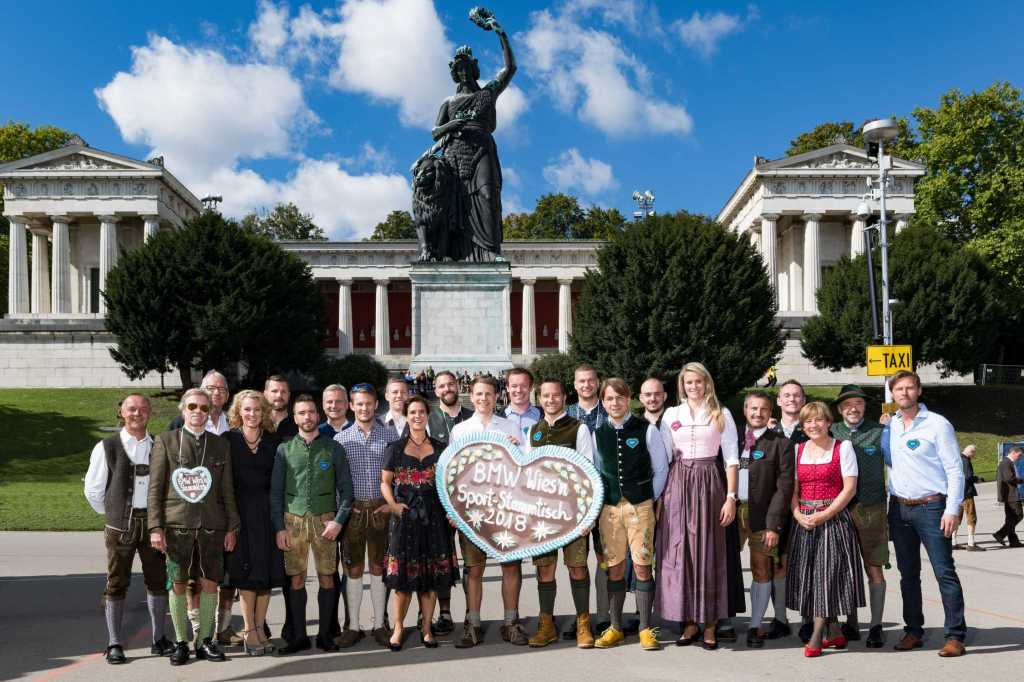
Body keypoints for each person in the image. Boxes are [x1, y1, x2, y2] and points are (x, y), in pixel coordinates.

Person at [148, 388, 240, 666]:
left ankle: (205, 641)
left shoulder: (220, 445)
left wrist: (232, 526)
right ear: (182, 409)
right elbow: (155, 489)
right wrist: (155, 527)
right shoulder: (166, 441)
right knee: (177, 583)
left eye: (204, 408)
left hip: (213, 524)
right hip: (177, 525)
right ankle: (180, 642)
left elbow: (227, 490)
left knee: (211, 581)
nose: (198, 412)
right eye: (192, 407)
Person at [84, 394, 172, 664]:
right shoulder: (107, 447)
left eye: (143, 409)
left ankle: (158, 639)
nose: (138, 413)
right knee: (116, 582)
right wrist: (114, 515)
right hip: (120, 526)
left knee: (157, 581)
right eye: (131, 409)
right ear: (121, 412)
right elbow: (93, 490)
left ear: (150, 413)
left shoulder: (159, 444)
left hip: (154, 525)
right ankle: (114, 643)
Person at [884, 370, 967, 657]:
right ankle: (913, 631)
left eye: (909, 388)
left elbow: (955, 470)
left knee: (944, 572)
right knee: (908, 575)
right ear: (892, 394)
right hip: (899, 508)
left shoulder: (937, 424)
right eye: (899, 389)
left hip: (932, 507)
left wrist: (952, 508)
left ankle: (955, 635)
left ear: (919, 391)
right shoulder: (891, 425)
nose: (904, 393)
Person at [656, 362, 738, 651]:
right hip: (678, 483)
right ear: (682, 385)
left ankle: (711, 623)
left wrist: (731, 497)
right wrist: (660, 495)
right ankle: (688, 621)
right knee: (681, 552)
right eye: (689, 382)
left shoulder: (721, 413)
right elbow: (663, 457)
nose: (694, 387)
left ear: (707, 383)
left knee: (708, 552)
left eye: (699, 382)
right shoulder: (671, 414)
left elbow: (731, 459)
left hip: (708, 483)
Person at [426, 13, 515, 261]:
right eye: (459, 69)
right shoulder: (449, 102)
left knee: (488, 196)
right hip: (454, 155)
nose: (464, 73)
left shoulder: (487, 93)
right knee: (455, 207)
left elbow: (510, 69)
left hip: (481, 150)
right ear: (455, 73)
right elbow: (435, 132)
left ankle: (491, 251)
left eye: (467, 68)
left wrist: (500, 32)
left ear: (473, 70)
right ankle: (456, 255)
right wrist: (452, 124)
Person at [271, 394, 354, 655]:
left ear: (318, 416)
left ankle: (326, 634)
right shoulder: (284, 449)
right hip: (292, 521)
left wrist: (338, 521)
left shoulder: (333, 448)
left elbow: (347, 491)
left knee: (327, 576)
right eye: (301, 413)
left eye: (311, 412)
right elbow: (275, 493)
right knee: (295, 578)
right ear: (294, 418)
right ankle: (298, 636)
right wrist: (279, 527)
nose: (307, 417)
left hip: (325, 520)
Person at [591, 378, 669, 651]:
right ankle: (615, 627)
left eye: (620, 398)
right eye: (610, 399)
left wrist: (650, 498)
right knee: (614, 568)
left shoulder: (646, 429)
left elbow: (661, 468)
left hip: (640, 506)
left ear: (629, 399)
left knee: (642, 565)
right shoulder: (597, 433)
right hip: (610, 508)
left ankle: (646, 627)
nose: (615, 403)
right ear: (603, 401)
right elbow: (596, 471)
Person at [450, 374, 525, 647]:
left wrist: (517, 450)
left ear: (497, 397)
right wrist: (453, 509)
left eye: (488, 394)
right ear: (471, 396)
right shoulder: (460, 431)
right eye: (478, 394)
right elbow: (453, 475)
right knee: (473, 569)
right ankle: (473, 623)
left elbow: (523, 470)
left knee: (510, 566)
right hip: (472, 511)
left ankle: (510, 622)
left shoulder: (510, 427)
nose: (483, 399)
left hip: (506, 509)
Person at [380, 394, 460, 650]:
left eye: (421, 412)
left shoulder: (440, 448)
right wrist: (393, 505)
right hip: (405, 518)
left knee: (430, 580)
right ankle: (399, 628)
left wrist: (451, 511)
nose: (417, 416)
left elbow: (449, 483)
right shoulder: (394, 448)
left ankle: (426, 628)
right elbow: (385, 482)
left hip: (434, 518)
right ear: (406, 415)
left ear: (428, 415)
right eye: (412, 412)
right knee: (402, 583)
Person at [786, 401, 864, 658]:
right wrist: (798, 514)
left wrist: (826, 514)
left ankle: (816, 637)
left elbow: (849, 488)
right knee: (811, 578)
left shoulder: (843, 448)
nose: (813, 425)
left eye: (819, 420)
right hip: (805, 522)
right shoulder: (797, 450)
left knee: (827, 577)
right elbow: (793, 491)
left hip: (833, 519)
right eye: (808, 421)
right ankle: (834, 630)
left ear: (829, 422)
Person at [166, 371, 237, 646]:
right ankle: (192, 628)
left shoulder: (233, 424)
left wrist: (232, 521)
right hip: (185, 515)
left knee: (222, 576)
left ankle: (221, 626)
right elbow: (165, 479)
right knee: (187, 576)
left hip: (219, 511)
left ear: (226, 394)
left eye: (221, 389)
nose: (216, 393)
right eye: (210, 388)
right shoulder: (174, 430)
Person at [524, 378, 596, 649]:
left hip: (572, 513)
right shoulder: (533, 431)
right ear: (539, 399)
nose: (551, 400)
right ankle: (546, 625)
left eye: (555, 395)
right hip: (542, 515)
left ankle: (583, 624)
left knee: (577, 567)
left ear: (564, 397)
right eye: (545, 396)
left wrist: (587, 515)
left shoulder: (579, 429)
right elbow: (526, 475)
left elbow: (589, 474)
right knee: (545, 570)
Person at [334, 384, 399, 648]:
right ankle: (352, 626)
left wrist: (390, 505)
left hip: (380, 510)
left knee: (378, 567)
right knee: (353, 568)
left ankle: (379, 625)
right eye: (359, 403)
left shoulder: (390, 435)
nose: (364, 408)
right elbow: (337, 481)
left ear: (376, 405)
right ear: (351, 406)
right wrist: (342, 511)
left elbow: (396, 476)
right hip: (354, 511)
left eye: (368, 403)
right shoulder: (341, 439)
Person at [224, 390, 284, 656]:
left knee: (266, 574)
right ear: (239, 412)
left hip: (268, 514)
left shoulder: (274, 441)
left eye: (257, 410)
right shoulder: (228, 441)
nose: (252, 414)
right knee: (246, 575)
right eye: (247, 409)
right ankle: (249, 630)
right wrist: (229, 523)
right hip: (240, 515)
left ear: (264, 412)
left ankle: (260, 627)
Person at [829, 384, 889, 648]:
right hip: (839, 507)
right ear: (840, 408)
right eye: (847, 404)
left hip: (871, 507)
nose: (853, 408)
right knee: (844, 566)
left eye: (859, 403)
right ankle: (850, 622)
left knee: (873, 565)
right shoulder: (832, 432)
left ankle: (876, 626)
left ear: (865, 407)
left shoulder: (879, 432)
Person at [734, 391, 794, 649]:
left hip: (762, 517)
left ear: (771, 413)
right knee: (725, 566)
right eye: (753, 408)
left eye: (764, 409)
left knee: (761, 570)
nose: (758, 414)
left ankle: (755, 625)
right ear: (745, 410)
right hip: (731, 513)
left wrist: (773, 525)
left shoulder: (781, 444)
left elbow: (784, 488)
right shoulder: (732, 438)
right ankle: (723, 621)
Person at [425, 370, 473, 634]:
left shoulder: (472, 416)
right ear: (436, 390)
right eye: (441, 386)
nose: (446, 389)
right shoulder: (429, 419)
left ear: (458, 385)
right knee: (442, 558)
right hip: (438, 499)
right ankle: (444, 612)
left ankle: (471, 611)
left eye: (450, 384)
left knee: (471, 560)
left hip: (469, 499)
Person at [566, 363, 611, 634]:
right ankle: (580, 616)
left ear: (597, 382)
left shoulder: (610, 411)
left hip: (606, 496)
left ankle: (604, 615)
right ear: (575, 385)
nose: (586, 385)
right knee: (577, 562)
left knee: (605, 556)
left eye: (590, 380)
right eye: (581, 381)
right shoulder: (566, 415)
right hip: (575, 501)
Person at [769, 378, 808, 641]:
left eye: (796, 395)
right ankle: (780, 618)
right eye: (787, 395)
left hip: (807, 505)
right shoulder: (768, 432)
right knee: (778, 564)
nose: (792, 399)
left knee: (805, 564)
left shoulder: (813, 429)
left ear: (803, 400)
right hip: (776, 506)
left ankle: (807, 619)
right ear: (779, 401)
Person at [954, 445, 984, 551]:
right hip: (966, 493)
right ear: (970, 452)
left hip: (957, 493)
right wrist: (977, 479)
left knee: (957, 518)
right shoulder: (966, 461)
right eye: (973, 454)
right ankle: (971, 543)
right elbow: (968, 476)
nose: (973, 456)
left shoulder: (957, 458)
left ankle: (953, 542)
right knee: (971, 518)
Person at [995, 445, 1023, 547]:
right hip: (1010, 495)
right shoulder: (1006, 463)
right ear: (1013, 452)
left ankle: (1013, 541)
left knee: (1010, 518)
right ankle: (1000, 534)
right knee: (1018, 515)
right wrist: (1021, 480)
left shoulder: (1008, 462)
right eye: (1019, 455)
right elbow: (1009, 478)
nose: (1019, 457)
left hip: (1009, 494)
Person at [503, 367, 542, 442]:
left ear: (531, 388)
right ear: (507, 388)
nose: (518, 390)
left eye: (523, 386)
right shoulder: (495, 419)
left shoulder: (546, 417)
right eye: (514, 386)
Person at [265, 375, 298, 442]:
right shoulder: (257, 424)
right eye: (274, 391)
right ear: (265, 394)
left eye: (283, 391)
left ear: (289, 395)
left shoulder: (298, 425)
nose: (279, 395)